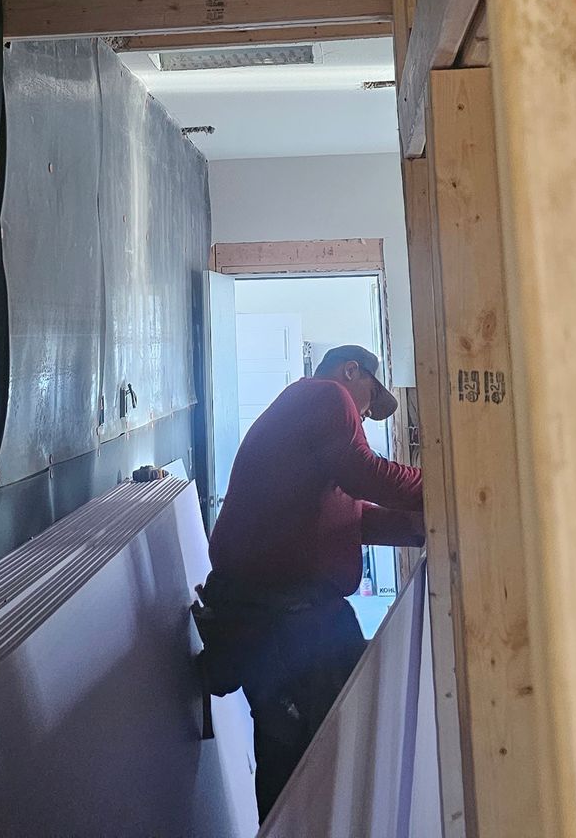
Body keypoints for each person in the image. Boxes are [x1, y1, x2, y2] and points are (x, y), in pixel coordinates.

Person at [193, 343, 425, 818]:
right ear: (351, 371)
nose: (363, 415)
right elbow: (364, 473)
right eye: (368, 401)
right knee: (299, 757)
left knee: (316, 746)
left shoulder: (312, 435)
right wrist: (441, 484)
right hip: (280, 617)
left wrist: (423, 527)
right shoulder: (324, 396)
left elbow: (353, 520)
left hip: (289, 613)